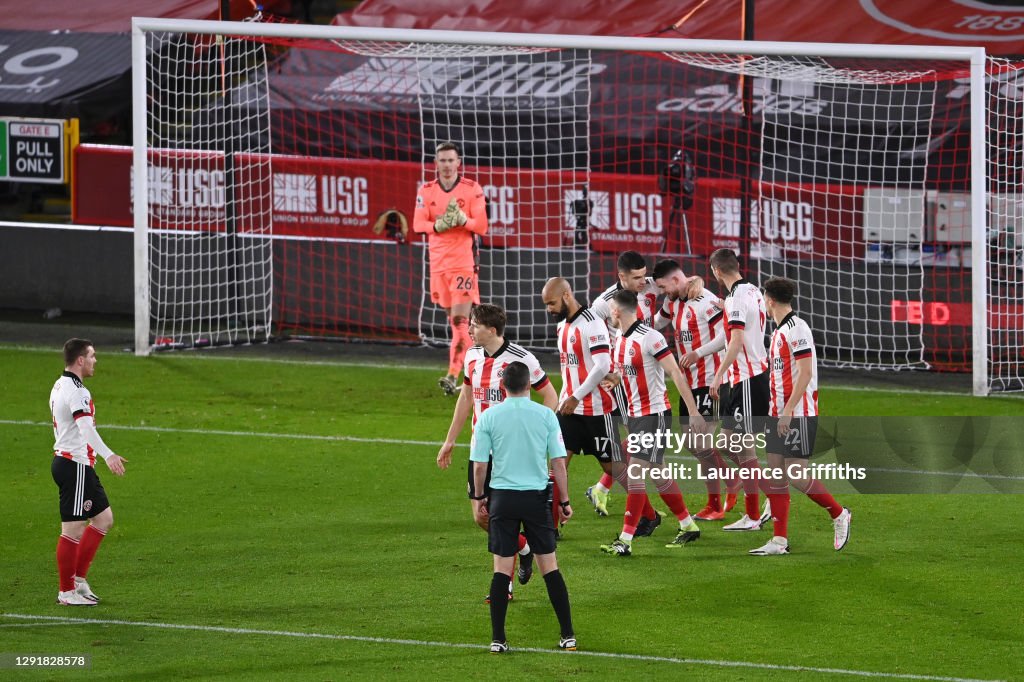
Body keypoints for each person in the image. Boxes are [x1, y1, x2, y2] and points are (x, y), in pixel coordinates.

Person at [436, 303, 557, 601]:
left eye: (475, 325)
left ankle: (505, 586)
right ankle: (524, 549)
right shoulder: (473, 356)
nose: (469, 330)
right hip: (481, 449)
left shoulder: (522, 360)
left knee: (503, 516)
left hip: (511, 452)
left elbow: (551, 395)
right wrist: (450, 440)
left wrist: (538, 430)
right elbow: (466, 397)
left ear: (491, 330)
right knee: (481, 516)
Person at [584, 251, 701, 522]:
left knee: (642, 444)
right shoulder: (603, 304)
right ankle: (655, 518)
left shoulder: (648, 285)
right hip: (627, 376)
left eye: (643, 275)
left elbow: (678, 281)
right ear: (621, 276)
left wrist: (697, 281)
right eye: (636, 277)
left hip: (649, 361)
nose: (643, 281)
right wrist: (607, 370)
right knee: (645, 450)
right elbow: (589, 335)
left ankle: (604, 490)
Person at [470, 361, 576, 653]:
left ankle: (498, 639)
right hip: (537, 498)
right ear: (530, 385)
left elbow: (480, 466)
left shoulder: (489, 417)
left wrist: (480, 498)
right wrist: (564, 501)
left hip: (502, 498)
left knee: (501, 570)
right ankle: (567, 635)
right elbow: (558, 464)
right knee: (550, 567)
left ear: (503, 387)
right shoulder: (546, 416)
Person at [541, 277, 661, 531]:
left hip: (598, 411)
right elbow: (572, 369)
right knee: (556, 465)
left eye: (551, 303)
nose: (548, 309)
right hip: (569, 411)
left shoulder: (592, 324)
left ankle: (648, 516)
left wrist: (576, 396)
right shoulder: (562, 326)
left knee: (615, 468)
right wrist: (566, 398)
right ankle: (549, 528)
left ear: (566, 295)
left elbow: (603, 365)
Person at [599, 290, 707, 557]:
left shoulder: (651, 337)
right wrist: (613, 379)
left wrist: (693, 412)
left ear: (616, 311)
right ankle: (687, 524)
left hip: (655, 415)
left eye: (610, 309)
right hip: (637, 417)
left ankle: (625, 539)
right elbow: (625, 373)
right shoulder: (621, 340)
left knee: (636, 472)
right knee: (658, 472)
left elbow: (675, 372)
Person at [749, 277, 852, 555]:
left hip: (797, 414)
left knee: (795, 474)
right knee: (777, 474)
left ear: (769, 300)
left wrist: (787, 413)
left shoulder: (797, 329)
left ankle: (839, 513)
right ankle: (779, 541)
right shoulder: (781, 331)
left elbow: (805, 374)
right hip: (778, 414)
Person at [651, 259, 741, 521]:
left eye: (662, 286)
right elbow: (656, 323)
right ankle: (731, 479)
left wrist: (698, 352)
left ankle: (717, 502)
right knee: (693, 444)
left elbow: (727, 335)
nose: (662, 292)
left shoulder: (706, 299)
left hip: (710, 380)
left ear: (676, 280)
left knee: (700, 443)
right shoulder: (673, 301)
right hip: (688, 382)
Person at [49, 338, 128, 606]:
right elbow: (85, 429)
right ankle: (66, 591)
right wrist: (109, 455)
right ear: (80, 360)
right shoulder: (77, 391)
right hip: (74, 465)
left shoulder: (60, 384)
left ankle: (79, 582)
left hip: (74, 464)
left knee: (103, 519)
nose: (95, 361)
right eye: (92, 356)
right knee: (72, 530)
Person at [412, 142, 489, 396]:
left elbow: (482, 226)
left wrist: (463, 220)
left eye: (450, 160)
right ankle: (478, 364)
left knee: (459, 321)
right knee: (458, 324)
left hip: (463, 264)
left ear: (459, 162)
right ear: (436, 163)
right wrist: (438, 225)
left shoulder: (471, 189)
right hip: (438, 266)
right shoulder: (426, 190)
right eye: (442, 160)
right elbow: (417, 224)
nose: (446, 165)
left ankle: (452, 375)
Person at [708, 248, 772, 532]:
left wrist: (717, 376)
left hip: (746, 378)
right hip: (751, 377)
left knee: (733, 446)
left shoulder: (735, 299)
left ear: (717, 271)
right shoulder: (754, 291)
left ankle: (762, 506)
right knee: (736, 447)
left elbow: (734, 343)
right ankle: (758, 509)